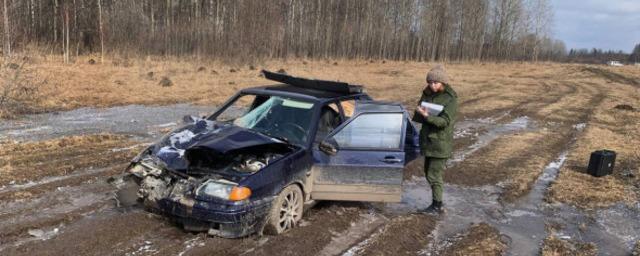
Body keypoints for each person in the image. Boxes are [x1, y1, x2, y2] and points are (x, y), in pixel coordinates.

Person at [412, 64, 458, 214]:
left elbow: (444, 122)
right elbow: (420, 114)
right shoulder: (427, 93)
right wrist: (420, 111)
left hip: (440, 142)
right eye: (430, 82)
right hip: (428, 140)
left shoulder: (450, 98)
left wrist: (428, 116)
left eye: (435, 83)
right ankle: (437, 203)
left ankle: (437, 206)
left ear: (443, 83)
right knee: (428, 173)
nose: (432, 85)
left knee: (434, 175)